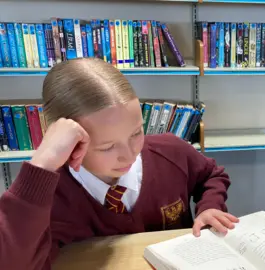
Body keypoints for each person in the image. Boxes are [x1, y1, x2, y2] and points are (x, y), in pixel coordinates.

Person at [0, 58, 238, 269]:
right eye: (107, 147)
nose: (129, 154)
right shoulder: (44, 198)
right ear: (69, 142)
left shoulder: (170, 151)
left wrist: (210, 207)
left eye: (136, 133)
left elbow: (211, 175)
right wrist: (43, 162)